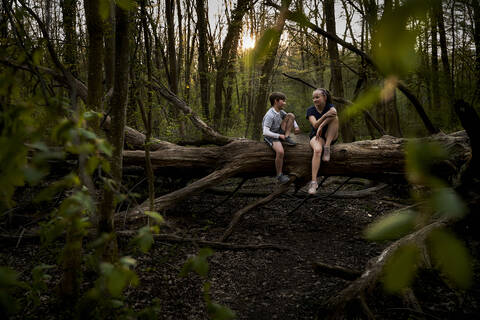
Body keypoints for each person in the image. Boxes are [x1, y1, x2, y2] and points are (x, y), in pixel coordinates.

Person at [262, 91, 301, 184]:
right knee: (280, 152)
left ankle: (287, 137)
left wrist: (296, 126)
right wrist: (278, 136)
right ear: (276, 101)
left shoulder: (280, 112)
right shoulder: (270, 115)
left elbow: (291, 118)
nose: (285, 103)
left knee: (290, 115)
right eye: (283, 101)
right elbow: (265, 131)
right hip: (270, 135)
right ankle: (279, 175)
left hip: (279, 131)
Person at [306, 88, 339, 194]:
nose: (315, 100)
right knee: (317, 150)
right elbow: (315, 125)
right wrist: (324, 117)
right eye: (313, 98)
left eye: (317, 97)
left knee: (335, 118)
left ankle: (327, 147)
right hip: (316, 137)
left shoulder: (329, 106)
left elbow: (334, 113)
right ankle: (314, 182)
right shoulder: (310, 110)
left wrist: (322, 125)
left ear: (324, 97)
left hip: (330, 135)